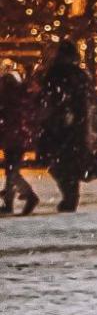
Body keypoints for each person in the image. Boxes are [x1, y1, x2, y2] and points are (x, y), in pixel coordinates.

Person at [34, 42, 95, 212]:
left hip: (60, 123)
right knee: (69, 162)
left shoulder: (57, 72)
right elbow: (86, 97)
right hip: (75, 123)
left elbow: (49, 94)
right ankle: (71, 195)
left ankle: (69, 195)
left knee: (60, 162)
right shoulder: (79, 74)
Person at [0, 62, 36, 215]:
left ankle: (28, 195)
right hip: (17, 138)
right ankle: (9, 201)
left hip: (13, 138)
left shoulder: (9, 101)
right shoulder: (20, 98)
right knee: (11, 170)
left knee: (12, 170)